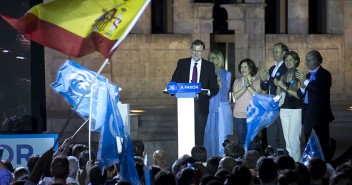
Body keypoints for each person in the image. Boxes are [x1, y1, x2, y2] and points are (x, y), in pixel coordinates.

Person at [171, 39, 219, 145]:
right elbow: (174, 80)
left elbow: (214, 87)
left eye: (199, 51)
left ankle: (198, 159)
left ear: (203, 52)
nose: (196, 53)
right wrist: (171, 89)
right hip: (184, 105)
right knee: (185, 136)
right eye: (194, 51)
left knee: (198, 137)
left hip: (201, 105)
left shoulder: (209, 66)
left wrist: (208, 92)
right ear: (191, 50)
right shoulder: (182, 63)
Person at [296, 50, 334, 162]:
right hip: (307, 113)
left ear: (316, 60)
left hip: (319, 115)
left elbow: (320, 91)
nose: (306, 63)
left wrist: (306, 82)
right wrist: (302, 86)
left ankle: (324, 165)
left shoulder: (325, 74)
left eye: (308, 60)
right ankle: (310, 164)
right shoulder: (307, 75)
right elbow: (300, 94)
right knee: (309, 141)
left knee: (321, 142)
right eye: (306, 60)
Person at [259, 42, 288, 154]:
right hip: (271, 105)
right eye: (273, 51)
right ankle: (273, 156)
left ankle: (283, 159)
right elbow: (265, 86)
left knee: (282, 135)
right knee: (271, 135)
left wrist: (269, 78)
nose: (274, 53)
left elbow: (280, 84)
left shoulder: (286, 68)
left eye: (276, 51)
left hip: (281, 105)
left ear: (284, 53)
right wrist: (264, 79)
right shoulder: (272, 68)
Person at [203, 50, 233, 158]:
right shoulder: (206, 73)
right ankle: (210, 158)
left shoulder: (227, 74)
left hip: (222, 107)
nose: (210, 60)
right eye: (209, 58)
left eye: (213, 58)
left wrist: (220, 82)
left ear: (219, 59)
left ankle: (222, 158)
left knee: (222, 134)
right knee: (209, 134)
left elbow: (225, 92)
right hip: (209, 106)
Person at [275, 50, 303, 162]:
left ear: (296, 61)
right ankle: (292, 163)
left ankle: (298, 164)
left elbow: (299, 95)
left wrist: (285, 87)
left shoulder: (299, 75)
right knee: (287, 141)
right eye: (286, 60)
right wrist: (278, 85)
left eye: (291, 60)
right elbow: (278, 95)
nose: (288, 62)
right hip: (284, 110)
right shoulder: (283, 75)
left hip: (295, 109)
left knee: (293, 139)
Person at [233, 58, 261, 151]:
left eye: (245, 67)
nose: (243, 69)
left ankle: (252, 161)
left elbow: (256, 96)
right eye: (241, 67)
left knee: (252, 140)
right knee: (241, 138)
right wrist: (244, 86)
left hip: (252, 114)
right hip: (238, 114)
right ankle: (241, 161)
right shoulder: (237, 81)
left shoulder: (257, 81)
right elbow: (236, 96)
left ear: (251, 69)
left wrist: (248, 85)